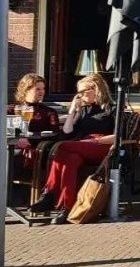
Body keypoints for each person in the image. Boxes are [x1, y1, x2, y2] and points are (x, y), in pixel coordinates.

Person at [29, 73, 115, 224]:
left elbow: (118, 136)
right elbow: (67, 131)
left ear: (96, 89)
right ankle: (67, 208)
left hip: (102, 146)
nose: (79, 96)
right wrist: (73, 111)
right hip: (79, 147)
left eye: (82, 92)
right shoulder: (84, 110)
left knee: (61, 146)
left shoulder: (112, 108)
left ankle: (49, 193)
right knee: (70, 160)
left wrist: (95, 140)